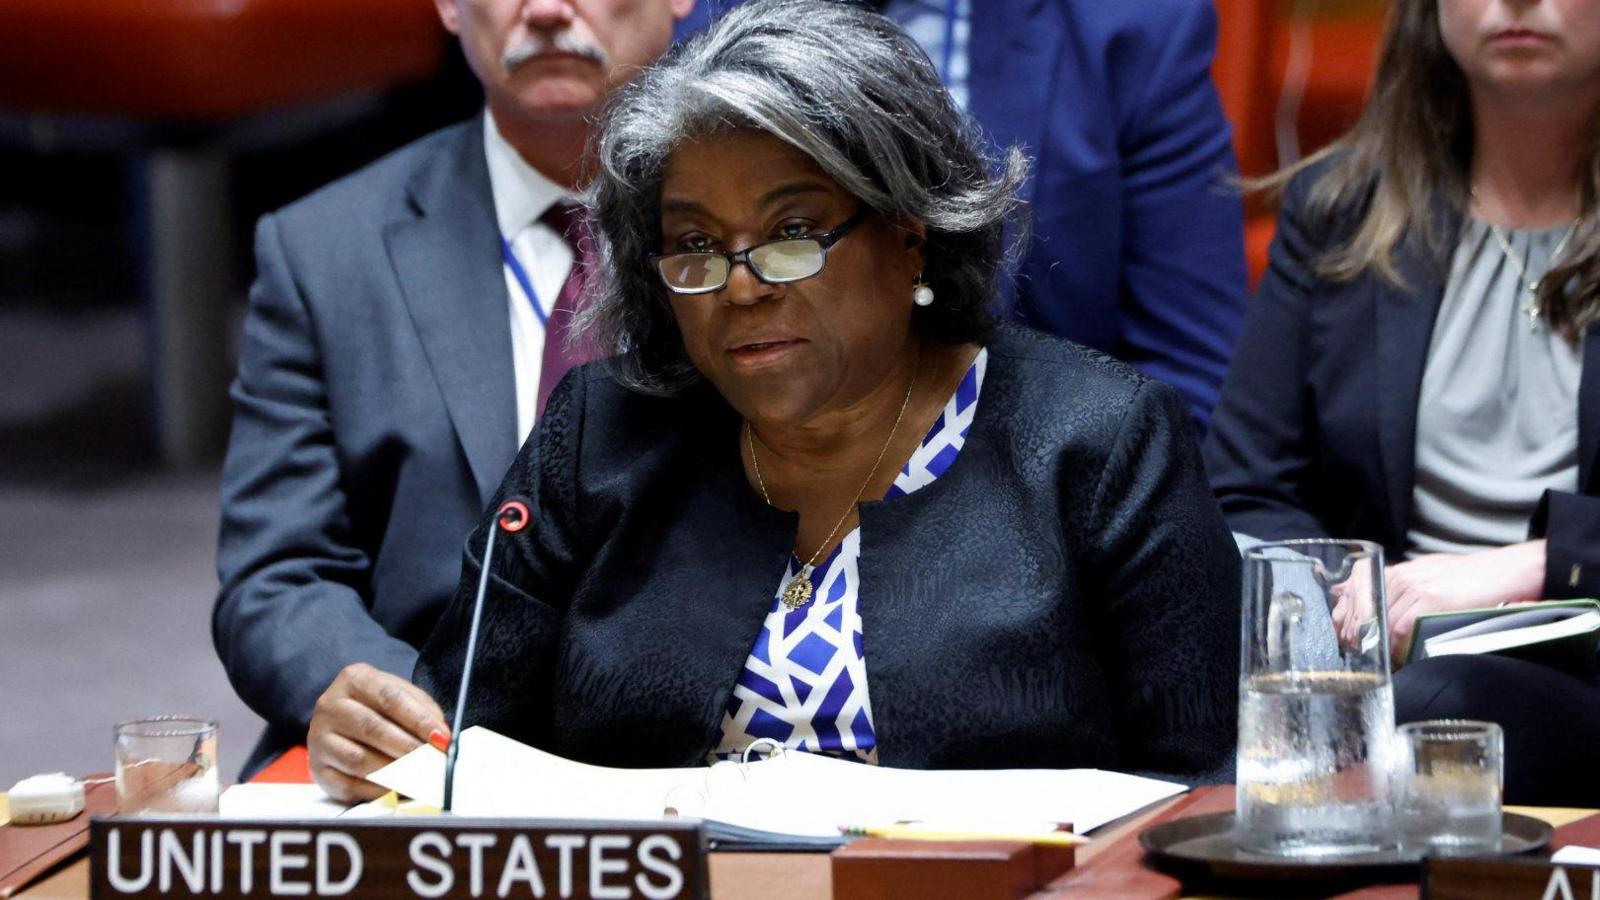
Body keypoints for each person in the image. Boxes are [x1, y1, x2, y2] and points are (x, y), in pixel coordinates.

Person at [390, 0, 1240, 781]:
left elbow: (1206, 797)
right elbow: (456, 745)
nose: (742, 285)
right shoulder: (598, 438)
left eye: (793, 233)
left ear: (910, 234)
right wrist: (385, 742)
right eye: (695, 243)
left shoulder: (1101, 444)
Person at [212, 0, 697, 798]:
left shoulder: (769, 236)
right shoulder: (326, 250)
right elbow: (276, 575)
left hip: (689, 751)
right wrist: (391, 708)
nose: (544, 11)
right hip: (415, 756)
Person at [1204, 0, 1600, 803]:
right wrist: (1339, 626)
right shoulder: (1341, 208)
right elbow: (1247, 487)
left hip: (1575, 672)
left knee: (1436, 712)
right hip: (1385, 668)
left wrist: (1536, 568)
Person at [674, 0, 1250, 432]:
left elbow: (1189, 371)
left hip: (1050, 478)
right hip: (765, 477)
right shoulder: (716, 20)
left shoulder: (1129, 25)